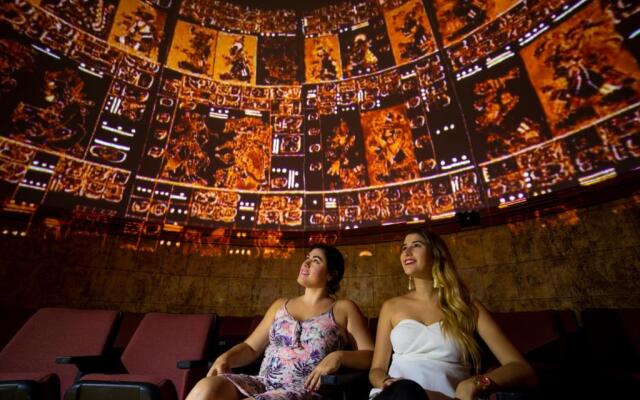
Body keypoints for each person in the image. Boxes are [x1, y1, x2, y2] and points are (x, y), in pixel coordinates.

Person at [186, 245, 374, 400]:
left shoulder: (343, 308)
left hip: (305, 390)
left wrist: (339, 356)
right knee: (206, 387)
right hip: (263, 383)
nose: (306, 263)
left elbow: (371, 355)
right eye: (307, 257)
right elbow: (251, 348)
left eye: (316, 260)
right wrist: (225, 357)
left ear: (331, 274)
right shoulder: (280, 305)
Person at [369, 230, 537, 400]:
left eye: (416, 245)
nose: (407, 251)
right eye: (404, 247)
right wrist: (388, 382)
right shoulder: (391, 306)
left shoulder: (466, 306)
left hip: (448, 397)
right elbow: (376, 370)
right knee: (405, 392)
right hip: (396, 395)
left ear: (436, 254)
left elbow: (521, 368)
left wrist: (475, 383)